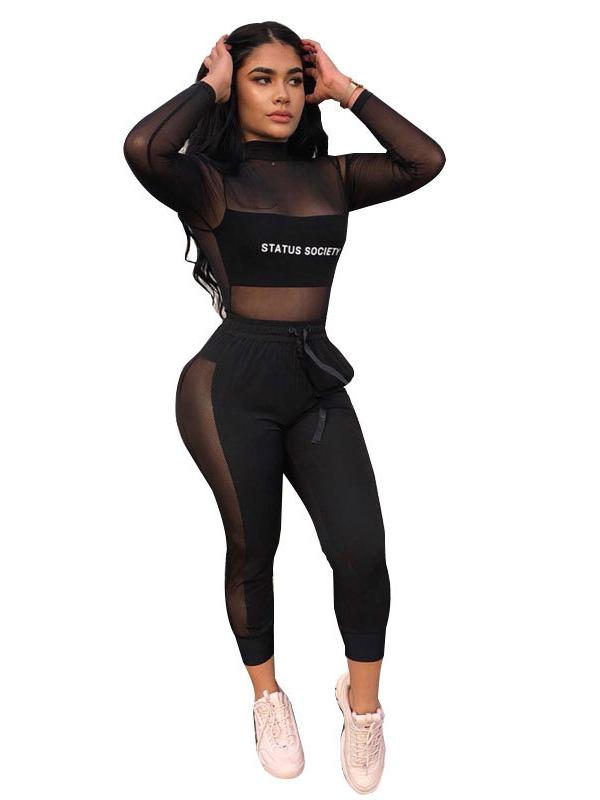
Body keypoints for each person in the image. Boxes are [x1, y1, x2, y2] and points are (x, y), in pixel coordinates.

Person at [123, 20, 445, 793]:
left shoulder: (332, 178)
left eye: (295, 81)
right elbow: (143, 148)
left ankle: (361, 707)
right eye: (262, 78)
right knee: (254, 548)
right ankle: (267, 697)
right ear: (234, 88)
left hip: (314, 384)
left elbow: (425, 160)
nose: (284, 95)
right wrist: (208, 84)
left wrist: (347, 89)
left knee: (362, 551)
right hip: (227, 391)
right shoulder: (207, 180)